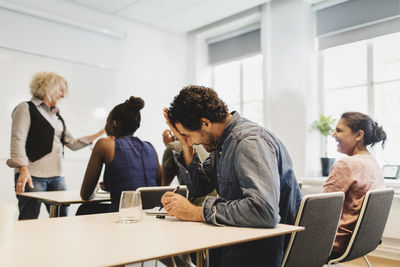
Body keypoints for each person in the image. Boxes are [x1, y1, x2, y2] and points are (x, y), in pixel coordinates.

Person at [161, 85, 302, 267]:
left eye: (189, 136)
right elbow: (199, 188)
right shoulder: (222, 144)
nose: (191, 142)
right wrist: (184, 144)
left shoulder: (248, 142)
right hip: (242, 238)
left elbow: (263, 211)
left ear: (205, 123)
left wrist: (195, 212)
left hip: (263, 249)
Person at [7, 71, 105, 220]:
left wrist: (102, 132)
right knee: (29, 218)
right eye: (61, 90)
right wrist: (23, 169)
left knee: (62, 219)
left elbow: (72, 143)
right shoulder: (25, 108)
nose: (63, 95)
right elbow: (17, 140)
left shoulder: (56, 115)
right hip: (33, 176)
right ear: (48, 87)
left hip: (57, 176)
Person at [77, 96, 162, 215]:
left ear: (114, 123)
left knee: (84, 210)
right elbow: (158, 185)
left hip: (124, 214)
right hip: (152, 214)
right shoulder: (150, 147)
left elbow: (85, 194)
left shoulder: (104, 144)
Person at [323, 112, 386, 258]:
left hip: (335, 243)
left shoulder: (346, 164)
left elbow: (323, 211)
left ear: (358, 135)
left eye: (339, 130)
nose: (333, 135)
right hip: (361, 242)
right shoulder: (373, 163)